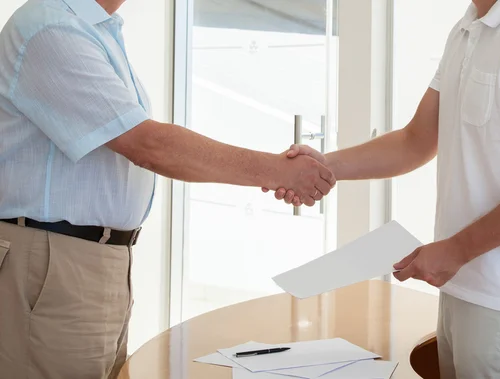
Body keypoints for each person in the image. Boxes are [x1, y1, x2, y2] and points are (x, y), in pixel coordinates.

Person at [0, 0, 335, 378]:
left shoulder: (93, 29)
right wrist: (279, 171)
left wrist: (289, 172)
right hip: (54, 261)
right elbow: (150, 146)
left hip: (94, 260)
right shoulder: (50, 27)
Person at [268, 0, 500, 377]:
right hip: (461, 288)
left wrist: (455, 250)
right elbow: (416, 140)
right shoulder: (468, 28)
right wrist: (322, 167)